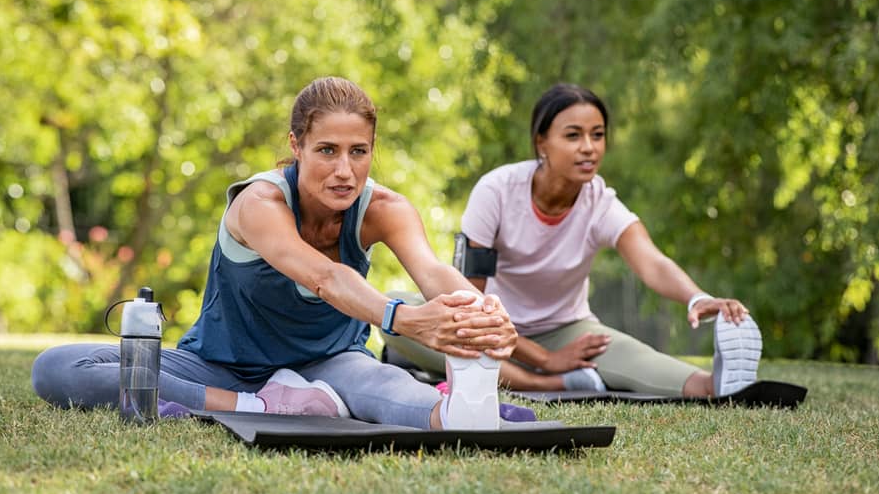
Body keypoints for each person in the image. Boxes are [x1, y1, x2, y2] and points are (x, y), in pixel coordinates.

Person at [32, 76, 518, 429]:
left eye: (359, 152)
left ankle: (459, 408)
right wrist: (405, 319)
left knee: (386, 389)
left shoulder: (384, 208)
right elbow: (323, 277)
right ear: (297, 145)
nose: (345, 171)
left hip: (329, 363)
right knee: (57, 368)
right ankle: (264, 408)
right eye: (327, 150)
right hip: (223, 367)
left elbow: (432, 272)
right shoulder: (258, 204)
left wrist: (483, 313)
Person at [385, 83, 762, 398]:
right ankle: (543, 383)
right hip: (494, 326)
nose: (589, 147)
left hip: (569, 329)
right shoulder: (497, 191)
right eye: (574, 135)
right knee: (397, 313)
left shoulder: (600, 201)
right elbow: (471, 300)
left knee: (665, 372)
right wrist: (544, 361)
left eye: (597, 135)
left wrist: (698, 298)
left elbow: (651, 261)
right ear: (541, 143)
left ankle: (719, 384)